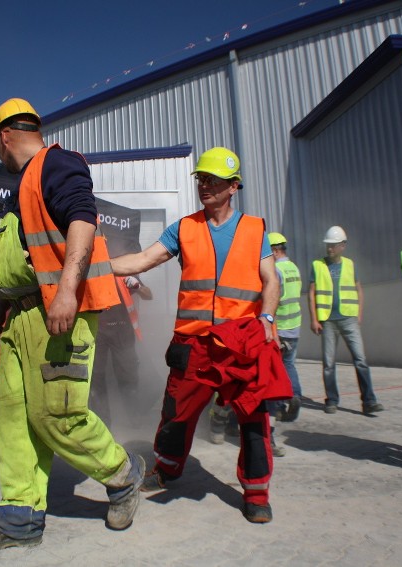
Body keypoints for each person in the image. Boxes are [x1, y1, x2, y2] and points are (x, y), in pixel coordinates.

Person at [0, 98, 144, 553]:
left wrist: (66, 290)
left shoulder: (55, 162)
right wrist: (7, 304)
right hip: (24, 316)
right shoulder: (23, 185)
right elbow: (29, 257)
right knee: (14, 420)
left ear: (4, 136)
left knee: (56, 415)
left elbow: (83, 218)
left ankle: (123, 475)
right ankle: (18, 518)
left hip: (61, 314)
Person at [111, 146, 290, 524]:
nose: (204, 186)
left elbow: (270, 279)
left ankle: (256, 493)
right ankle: (167, 468)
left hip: (240, 342)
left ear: (233, 187)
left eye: (213, 181)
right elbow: (143, 260)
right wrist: (95, 264)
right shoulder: (184, 228)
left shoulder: (254, 229)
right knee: (176, 412)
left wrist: (268, 317)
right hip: (193, 343)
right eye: (201, 179)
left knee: (253, 418)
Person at [308, 226, 384, 415]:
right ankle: (331, 400)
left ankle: (369, 401)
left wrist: (359, 314)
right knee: (328, 364)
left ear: (343, 246)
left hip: (348, 318)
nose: (330, 248)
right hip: (328, 321)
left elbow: (359, 289)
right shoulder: (318, 265)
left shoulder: (350, 264)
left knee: (360, 360)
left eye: (333, 245)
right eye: (328, 245)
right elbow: (311, 294)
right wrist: (314, 319)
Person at [89, 274, 152, 422]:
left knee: (128, 373)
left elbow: (148, 295)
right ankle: (101, 421)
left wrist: (137, 287)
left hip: (122, 331)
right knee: (96, 376)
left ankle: (134, 415)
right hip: (97, 332)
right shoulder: (91, 273)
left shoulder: (123, 273)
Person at [269, 232, 303, 422]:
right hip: (294, 326)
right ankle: (294, 396)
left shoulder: (276, 272)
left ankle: (284, 402)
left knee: (276, 369)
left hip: (280, 328)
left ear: (274, 251)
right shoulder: (294, 268)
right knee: (289, 364)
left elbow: (273, 300)